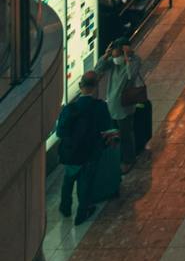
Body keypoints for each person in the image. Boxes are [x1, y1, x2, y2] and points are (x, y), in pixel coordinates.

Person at [56, 72, 116, 223]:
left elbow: (60, 132)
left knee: (68, 180)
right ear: (95, 87)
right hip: (90, 153)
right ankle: (82, 213)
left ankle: (65, 208)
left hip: (71, 153)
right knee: (86, 183)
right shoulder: (100, 107)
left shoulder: (69, 108)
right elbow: (107, 128)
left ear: (80, 86)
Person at [112, 39, 154, 161]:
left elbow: (130, 76)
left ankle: (133, 153)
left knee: (131, 128)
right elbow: (98, 69)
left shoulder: (134, 61)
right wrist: (105, 57)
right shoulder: (113, 64)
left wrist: (127, 59)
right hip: (116, 104)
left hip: (130, 101)